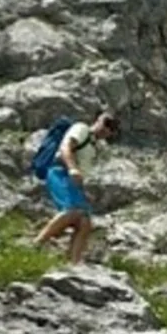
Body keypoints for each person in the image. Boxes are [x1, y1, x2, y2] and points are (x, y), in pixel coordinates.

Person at [31, 111, 119, 264]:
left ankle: (73, 264)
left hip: (72, 180)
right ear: (98, 120)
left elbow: (81, 171)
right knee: (73, 211)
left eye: (112, 128)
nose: (107, 129)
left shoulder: (95, 146)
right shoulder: (81, 129)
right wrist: (72, 168)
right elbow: (66, 147)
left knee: (85, 222)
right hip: (59, 171)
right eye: (106, 123)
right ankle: (36, 245)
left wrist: (81, 185)